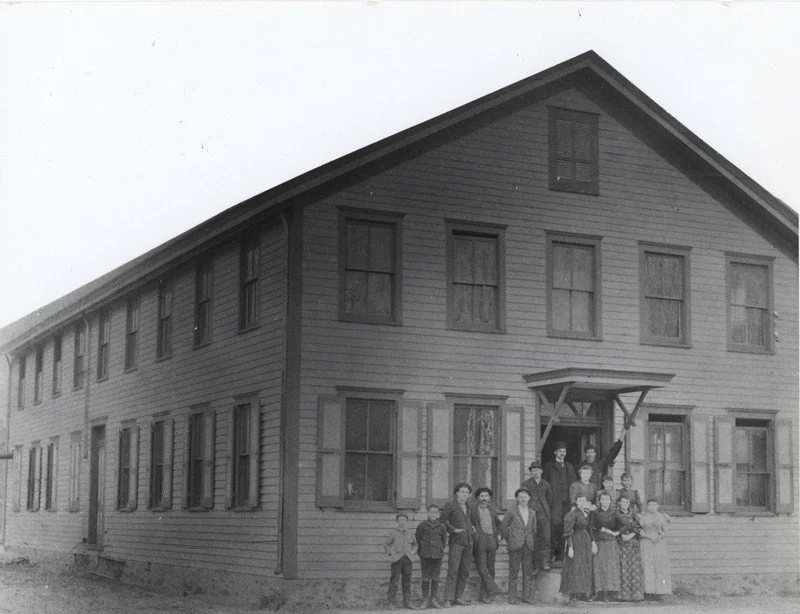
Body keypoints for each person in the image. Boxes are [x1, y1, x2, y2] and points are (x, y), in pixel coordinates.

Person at [439, 482, 475, 606]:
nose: (465, 494)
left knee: (464, 571)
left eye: (467, 492)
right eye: (462, 492)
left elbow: (469, 521)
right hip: (456, 542)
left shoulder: (469, 507)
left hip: (468, 542)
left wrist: (472, 528)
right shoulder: (451, 505)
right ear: (457, 493)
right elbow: (442, 519)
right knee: (453, 570)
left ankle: (458, 597)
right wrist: (453, 529)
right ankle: (448, 599)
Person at [500, 488, 537, 604]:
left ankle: (526, 597)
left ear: (529, 498)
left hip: (528, 546)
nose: (523, 499)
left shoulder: (532, 512)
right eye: (521, 497)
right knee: (513, 572)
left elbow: (534, 530)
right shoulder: (511, 511)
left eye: (525, 497)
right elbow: (503, 527)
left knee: (527, 573)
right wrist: (511, 539)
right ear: (517, 498)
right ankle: (512, 597)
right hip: (515, 545)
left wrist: (530, 540)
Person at [543, 441, 577, 565]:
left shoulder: (569, 466)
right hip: (554, 503)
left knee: (565, 527)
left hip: (567, 503)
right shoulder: (549, 466)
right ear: (555, 453)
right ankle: (552, 554)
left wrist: (573, 503)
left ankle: (561, 557)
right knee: (554, 526)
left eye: (564, 451)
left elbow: (574, 485)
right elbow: (545, 484)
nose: (562, 453)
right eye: (560, 451)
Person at [559, 494, 596, 602]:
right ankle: (574, 593)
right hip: (576, 541)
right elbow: (568, 531)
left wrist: (592, 542)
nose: (582, 502)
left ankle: (584, 593)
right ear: (576, 502)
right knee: (575, 566)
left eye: (583, 500)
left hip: (585, 541)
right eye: (579, 500)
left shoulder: (586, 513)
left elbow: (589, 529)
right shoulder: (572, 514)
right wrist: (570, 547)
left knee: (585, 566)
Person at [468, 487, 502, 603]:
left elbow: (498, 523)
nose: (484, 498)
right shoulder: (472, 509)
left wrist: (499, 534)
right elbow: (466, 520)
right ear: (477, 497)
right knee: (482, 567)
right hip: (480, 539)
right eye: (481, 496)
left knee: (490, 569)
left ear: (489, 498)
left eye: (486, 496)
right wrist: (471, 528)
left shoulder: (492, 509)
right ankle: (494, 589)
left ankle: (485, 596)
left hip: (491, 539)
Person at [590, 491, 624, 602]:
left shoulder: (614, 512)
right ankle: (600, 593)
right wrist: (593, 542)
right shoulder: (595, 513)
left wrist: (616, 533)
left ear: (610, 501)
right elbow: (590, 528)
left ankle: (610, 593)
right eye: (603, 499)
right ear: (600, 501)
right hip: (599, 543)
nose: (605, 501)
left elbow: (626, 524)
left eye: (607, 499)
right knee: (599, 568)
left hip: (611, 543)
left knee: (610, 568)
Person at [519, 459, 552, 571]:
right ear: (531, 472)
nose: (536, 472)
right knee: (533, 539)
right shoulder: (526, 484)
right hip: (531, 515)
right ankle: (535, 564)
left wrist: (545, 510)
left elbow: (550, 499)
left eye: (537, 470)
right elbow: (522, 499)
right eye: (533, 470)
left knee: (545, 538)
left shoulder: (546, 484)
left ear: (541, 471)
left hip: (544, 515)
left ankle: (545, 562)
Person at [415, 504, 448, 609]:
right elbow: (418, 538)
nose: (433, 514)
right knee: (425, 577)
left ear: (438, 514)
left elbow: (444, 541)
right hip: (425, 555)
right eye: (431, 512)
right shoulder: (422, 525)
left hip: (437, 556)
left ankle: (433, 599)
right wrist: (422, 551)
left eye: (435, 512)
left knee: (435, 577)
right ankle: (425, 600)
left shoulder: (442, 526)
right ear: (428, 513)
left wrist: (440, 550)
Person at [639, 498, 672, 600]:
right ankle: (649, 592)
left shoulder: (662, 516)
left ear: (657, 506)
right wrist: (649, 536)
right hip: (647, 542)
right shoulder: (643, 517)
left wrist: (659, 536)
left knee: (659, 566)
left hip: (658, 543)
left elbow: (665, 531)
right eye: (650, 505)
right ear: (647, 506)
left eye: (654, 505)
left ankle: (659, 592)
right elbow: (640, 532)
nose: (652, 507)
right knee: (648, 566)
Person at [384, 513, 419, 610]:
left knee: (406, 581)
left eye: (404, 520)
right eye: (400, 520)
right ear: (397, 522)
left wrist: (413, 551)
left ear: (406, 521)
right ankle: (391, 602)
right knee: (394, 581)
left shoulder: (410, 533)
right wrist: (391, 552)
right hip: (397, 560)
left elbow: (416, 544)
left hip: (408, 559)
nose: (402, 522)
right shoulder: (393, 533)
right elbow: (386, 545)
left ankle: (407, 603)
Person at [616, 494, 644, 602]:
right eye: (623, 502)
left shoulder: (633, 514)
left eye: (627, 502)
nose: (625, 504)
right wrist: (621, 535)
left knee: (634, 568)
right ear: (619, 503)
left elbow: (639, 528)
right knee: (623, 568)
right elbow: (613, 527)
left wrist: (630, 536)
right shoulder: (616, 514)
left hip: (632, 544)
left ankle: (636, 595)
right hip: (621, 544)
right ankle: (623, 595)